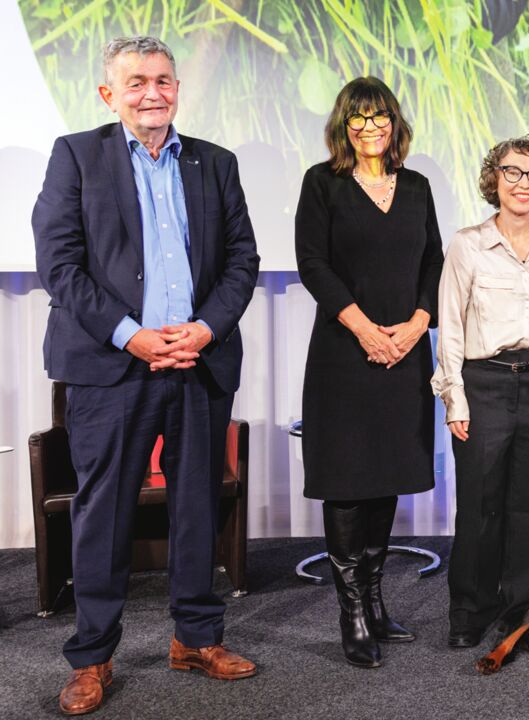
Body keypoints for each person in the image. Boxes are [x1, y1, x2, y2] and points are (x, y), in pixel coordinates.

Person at [33, 36, 260, 715]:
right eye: (135, 82)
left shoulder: (214, 163)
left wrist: (205, 328)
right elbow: (60, 265)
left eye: (162, 79)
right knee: (103, 512)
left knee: (196, 504)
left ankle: (195, 637)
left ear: (178, 89)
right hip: (110, 365)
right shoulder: (76, 156)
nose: (151, 92)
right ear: (109, 94)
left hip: (198, 360)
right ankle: (93, 656)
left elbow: (242, 260)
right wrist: (132, 337)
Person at [295, 77, 444, 668]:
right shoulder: (321, 184)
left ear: (394, 122)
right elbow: (312, 263)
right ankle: (352, 613)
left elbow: (434, 259)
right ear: (343, 125)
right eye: (357, 118)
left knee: (385, 478)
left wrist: (417, 325)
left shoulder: (417, 187)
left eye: (379, 116)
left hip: (405, 352)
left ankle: (376, 603)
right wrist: (363, 328)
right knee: (348, 483)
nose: (369, 127)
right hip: (343, 356)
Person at [431, 136, 529, 648]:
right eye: (512, 172)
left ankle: (521, 607)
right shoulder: (467, 244)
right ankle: (469, 609)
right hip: (483, 383)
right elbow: (449, 326)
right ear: (495, 179)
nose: (523, 183)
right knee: (481, 505)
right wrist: (455, 399)